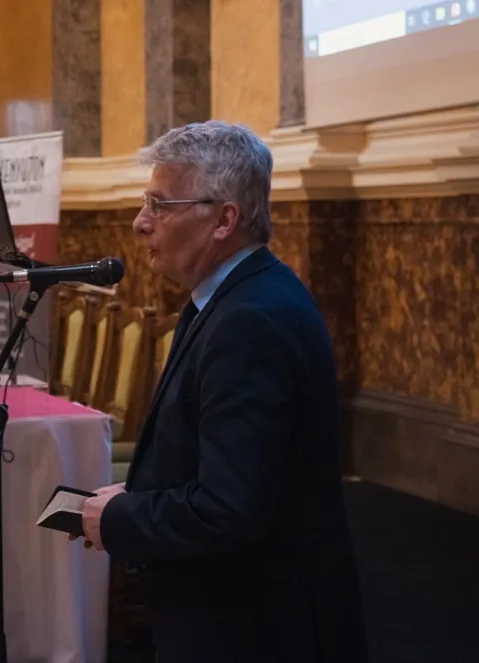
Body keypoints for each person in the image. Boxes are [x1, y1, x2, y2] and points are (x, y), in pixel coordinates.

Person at [76, 121, 368, 662]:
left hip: (252, 626)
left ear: (224, 219)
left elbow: (229, 509)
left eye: (161, 205)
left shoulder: (249, 320)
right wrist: (137, 492)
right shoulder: (235, 296)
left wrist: (121, 519)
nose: (141, 222)